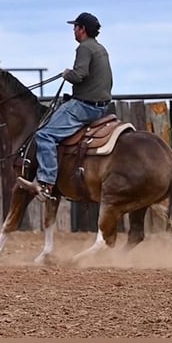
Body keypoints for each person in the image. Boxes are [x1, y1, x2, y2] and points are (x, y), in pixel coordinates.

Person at [25, 12, 113, 202]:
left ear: (82, 29)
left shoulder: (84, 48)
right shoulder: (100, 48)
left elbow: (80, 75)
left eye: (75, 27)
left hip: (84, 106)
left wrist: (67, 74)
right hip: (102, 106)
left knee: (44, 135)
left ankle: (46, 183)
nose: (73, 30)